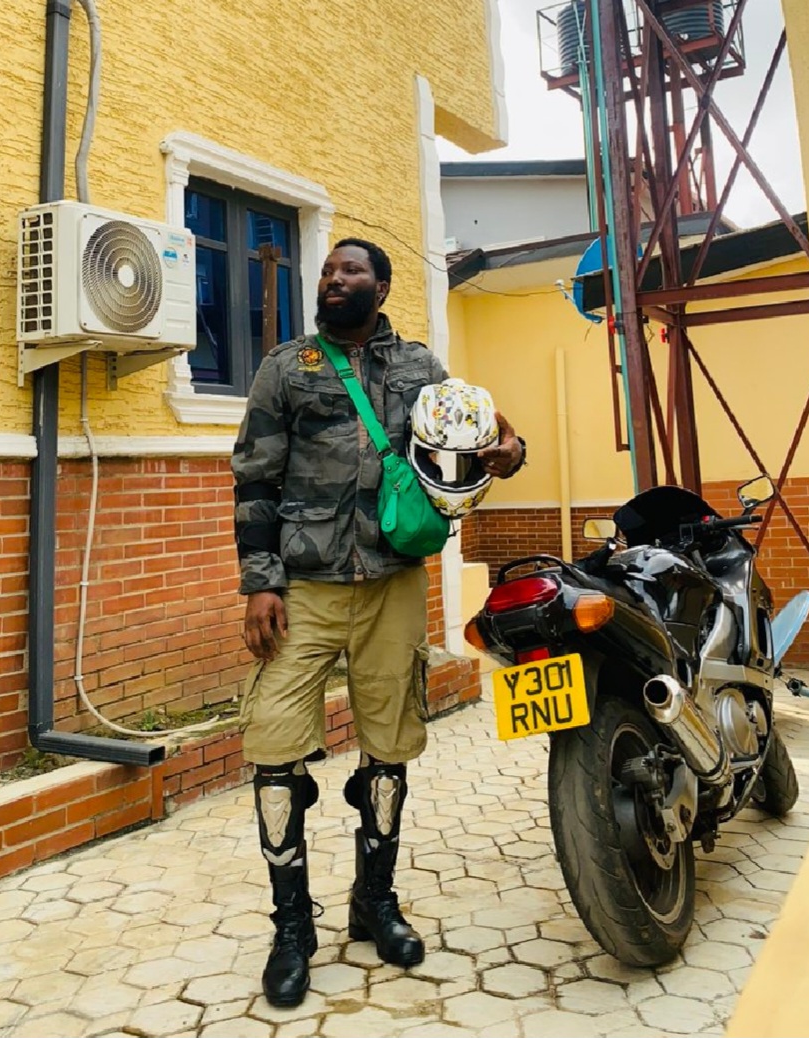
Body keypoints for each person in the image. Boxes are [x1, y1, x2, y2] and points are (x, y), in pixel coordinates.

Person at [231, 238, 525, 1008]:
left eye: (350, 271)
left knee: (389, 748)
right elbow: (255, 479)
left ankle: (374, 902)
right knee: (272, 748)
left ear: (381, 287)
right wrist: (260, 583)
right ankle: (292, 926)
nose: (334, 279)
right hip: (305, 589)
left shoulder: (421, 367)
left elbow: (481, 428)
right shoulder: (286, 368)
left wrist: (509, 447)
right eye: (328, 271)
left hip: (394, 582)